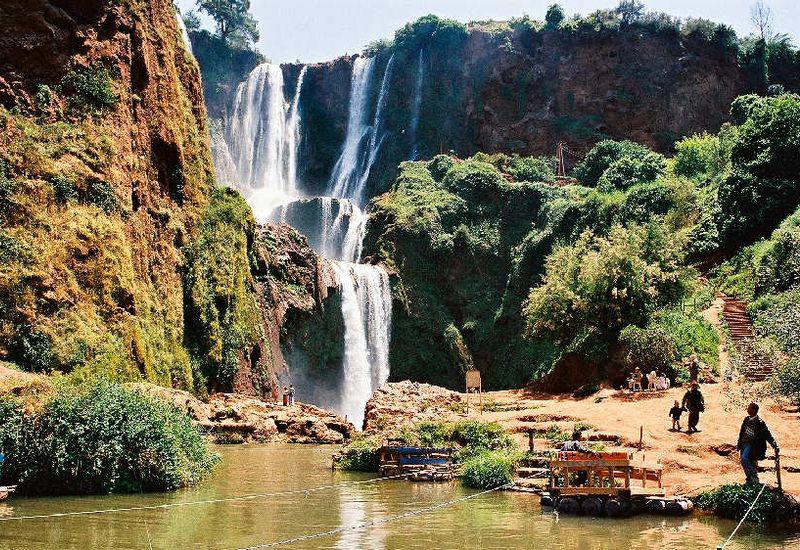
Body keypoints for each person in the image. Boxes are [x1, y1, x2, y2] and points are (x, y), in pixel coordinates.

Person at [737, 403, 779, 484]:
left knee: (744, 459)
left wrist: (774, 445)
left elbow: (767, 434)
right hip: (744, 444)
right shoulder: (746, 419)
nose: (747, 409)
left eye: (749, 408)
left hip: (753, 445)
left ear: (753, 410)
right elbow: (742, 432)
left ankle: (753, 477)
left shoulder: (760, 423)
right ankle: (750, 480)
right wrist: (739, 443)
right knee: (750, 462)